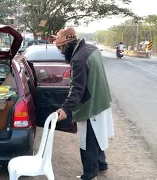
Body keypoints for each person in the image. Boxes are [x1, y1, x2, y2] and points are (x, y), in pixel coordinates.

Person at [53, 27, 114, 180]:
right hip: (101, 99)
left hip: (91, 105)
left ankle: (89, 174)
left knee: (88, 142)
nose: (60, 51)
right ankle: (102, 165)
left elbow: (77, 89)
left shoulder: (79, 58)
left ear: (68, 44)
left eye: (61, 48)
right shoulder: (91, 48)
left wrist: (65, 108)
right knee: (97, 136)